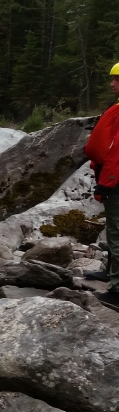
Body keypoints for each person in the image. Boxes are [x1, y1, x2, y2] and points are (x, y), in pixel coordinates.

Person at [84, 63, 119, 306]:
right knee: (114, 229)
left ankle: (117, 290)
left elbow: (118, 153)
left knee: (117, 232)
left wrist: (106, 183)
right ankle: (111, 271)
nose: (111, 83)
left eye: (117, 79)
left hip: (116, 183)